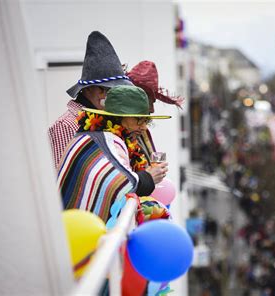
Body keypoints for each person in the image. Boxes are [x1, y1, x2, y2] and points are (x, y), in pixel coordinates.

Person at [57, 85, 170, 222]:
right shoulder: (107, 140)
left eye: (146, 121)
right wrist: (149, 177)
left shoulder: (92, 137)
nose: (144, 127)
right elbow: (122, 184)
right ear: (119, 118)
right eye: (139, 119)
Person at [48, 31, 132, 170]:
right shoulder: (66, 125)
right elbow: (61, 180)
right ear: (87, 89)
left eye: (114, 90)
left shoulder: (108, 122)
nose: (108, 95)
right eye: (104, 89)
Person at [125, 60, 184, 162]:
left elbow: (153, 159)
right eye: (150, 101)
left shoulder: (143, 132)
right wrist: (150, 175)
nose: (152, 109)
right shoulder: (118, 136)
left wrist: (159, 164)